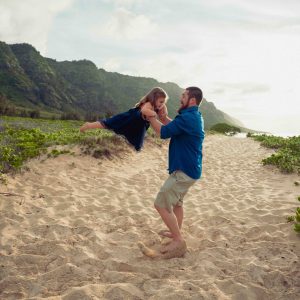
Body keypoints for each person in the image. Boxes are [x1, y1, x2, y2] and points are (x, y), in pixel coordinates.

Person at [147, 86, 205, 253]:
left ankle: (178, 241)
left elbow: (164, 132)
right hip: (191, 170)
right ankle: (175, 232)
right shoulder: (194, 116)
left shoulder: (188, 118)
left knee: (161, 204)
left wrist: (151, 117)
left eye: (184, 95)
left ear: (192, 100)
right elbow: (174, 127)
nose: (181, 97)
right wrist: (163, 117)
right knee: (177, 205)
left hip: (184, 171)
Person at [79, 87, 169, 151]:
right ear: (154, 98)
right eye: (161, 101)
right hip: (131, 117)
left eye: (163, 102)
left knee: (137, 143)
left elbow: (163, 106)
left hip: (139, 124)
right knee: (110, 123)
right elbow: (144, 110)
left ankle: (129, 146)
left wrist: (164, 108)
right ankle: (89, 125)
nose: (162, 104)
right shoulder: (149, 104)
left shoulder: (159, 104)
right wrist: (153, 114)